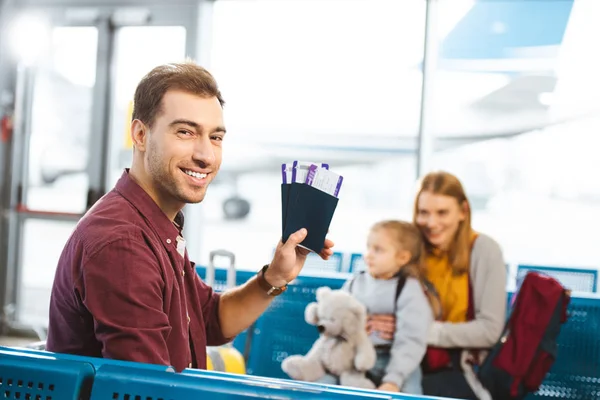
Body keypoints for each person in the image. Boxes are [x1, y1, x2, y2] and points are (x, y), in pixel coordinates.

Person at [45, 62, 334, 372]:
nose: (206, 155)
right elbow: (146, 391)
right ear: (140, 135)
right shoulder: (123, 243)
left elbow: (210, 318)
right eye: (185, 132)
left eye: (216, 137)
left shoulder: (153, 224)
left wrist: (275, 276)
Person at [368, 171, 506, 399]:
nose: (431, 223)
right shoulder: (407, 248)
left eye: (442, 213)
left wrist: (414, 330)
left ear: (463, 212)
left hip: (452, 368)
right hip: (392, 358)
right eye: (424, 213)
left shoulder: (484, 250)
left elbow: (489, 330)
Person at [319, 220, 434, 394]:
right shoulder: (357, 281)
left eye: (378, 250)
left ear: (402, 257)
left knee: (409, 391)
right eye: (368, 247)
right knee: (323, 385)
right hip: (354, 360)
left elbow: (411, 341)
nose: (369, 255)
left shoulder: (408, 290)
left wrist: (393, 380)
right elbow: (335, 313)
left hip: (395, 363)